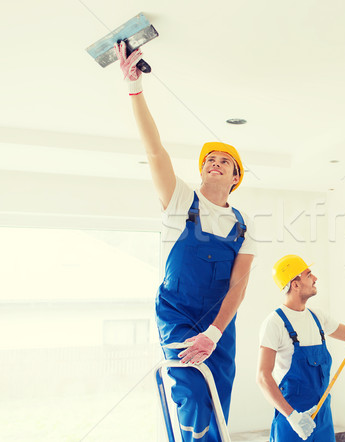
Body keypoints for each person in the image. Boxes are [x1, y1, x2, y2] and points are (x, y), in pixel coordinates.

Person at [114, 42, 256, 441]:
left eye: (224, 161)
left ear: (235, 179)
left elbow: (239, 286)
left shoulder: (244, 227)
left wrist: (214, 333)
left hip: (220, 325)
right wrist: (134, 89)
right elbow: (154, 150)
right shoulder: (180, 201)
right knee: (192, 395)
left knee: (218, 404)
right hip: (177, 314)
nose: (214, 162)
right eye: (209, 159)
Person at [256, 255, 345, 441]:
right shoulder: (274, 323)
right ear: (295, 284)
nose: (315, 278)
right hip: (292, 421)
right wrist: (293, 417)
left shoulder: (317, 317)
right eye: (309, 274)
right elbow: (263, 377)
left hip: (323, 418)